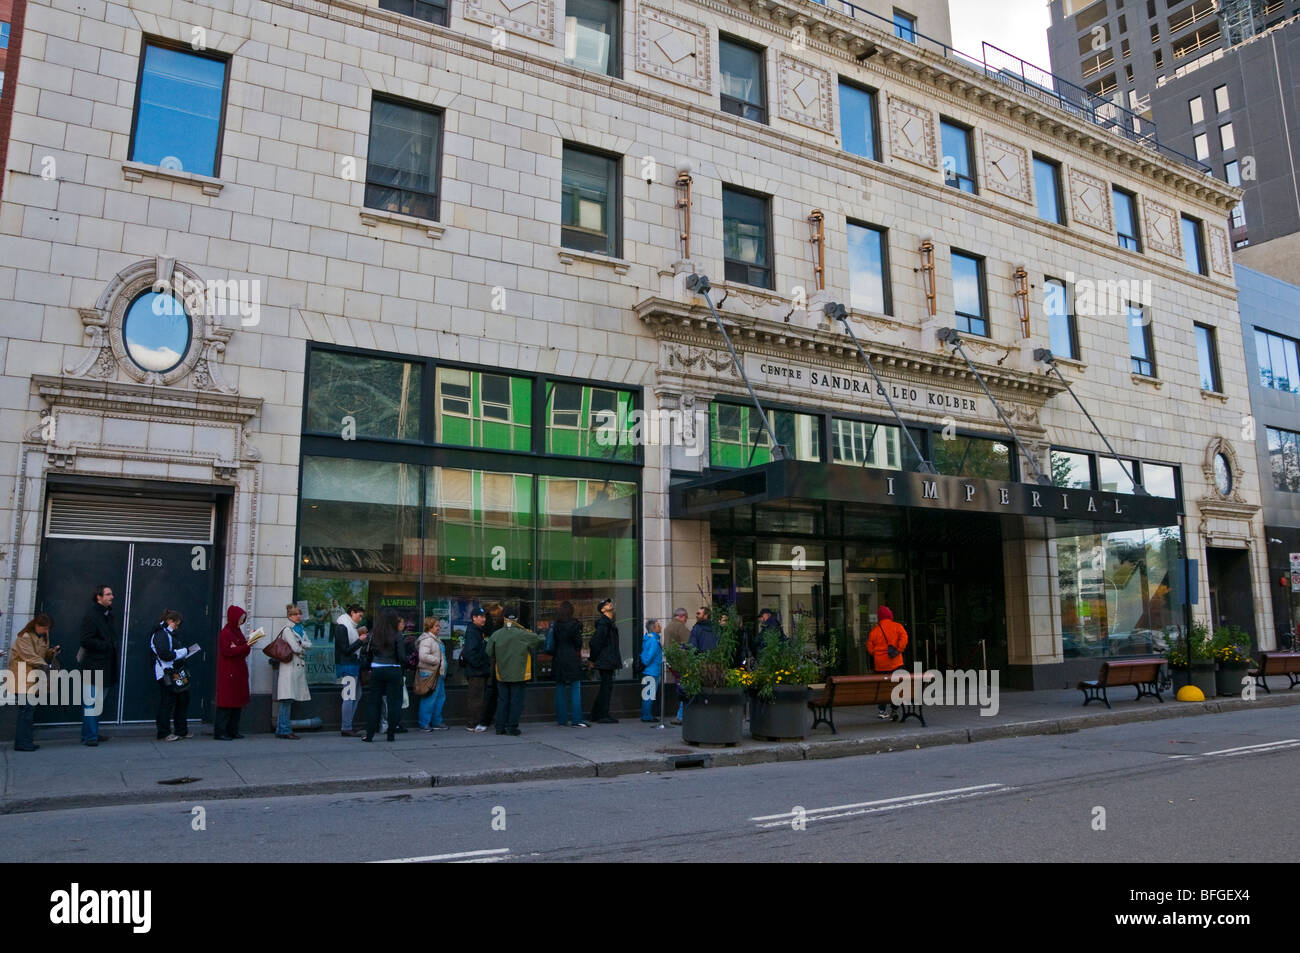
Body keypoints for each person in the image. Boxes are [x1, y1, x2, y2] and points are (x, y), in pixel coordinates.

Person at [486, 609, 543, 735]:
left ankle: (500, 727)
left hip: (501, 674)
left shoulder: (497, 634)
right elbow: (538, 640)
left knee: (502, 701)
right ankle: (512, 727)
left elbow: (489, 652)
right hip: (519, 674)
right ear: (516, 620)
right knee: (516, 702)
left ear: (504, 619)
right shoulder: (523, 633)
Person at [10, 613, 57, 752]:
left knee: (29, 711)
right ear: (37, 625)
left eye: (48, 628)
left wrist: (52, 652)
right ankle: (22, 743)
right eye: (45, 628)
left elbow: (41, 655)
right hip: (22, 677)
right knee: (26, 711)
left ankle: (26, 741)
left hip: (32, 678)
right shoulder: (24, 637)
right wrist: (45, 665)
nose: (47, 631)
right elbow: (30, 656)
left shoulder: (43, 637)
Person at [78, 584, 118, 746]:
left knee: (96, 702)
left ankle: (89, 733)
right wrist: (106, 645)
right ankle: (90, 736)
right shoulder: (92, 616)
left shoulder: (107, 615)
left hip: (106, 666)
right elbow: (86, 640)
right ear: (99, 597)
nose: (112, 596)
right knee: (91, 702)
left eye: (111, 594)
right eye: (108, 594)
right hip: (94, 666)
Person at [362, 609, 406, 742]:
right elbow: (402, 657)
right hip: (393, 669)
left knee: (374, 703)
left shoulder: (374, 634)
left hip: (377, 669)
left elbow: (367, 653)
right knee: (394, 703)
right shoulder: (397, 635)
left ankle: (370, 734)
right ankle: (391, 734)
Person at [150, 609, 192, 742]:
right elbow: (165, 654)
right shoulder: (161, 634)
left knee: (182, 699)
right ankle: (163, 732)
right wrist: (183, 652)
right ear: (170, 621)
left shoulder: (167, 634)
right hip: (166, 672)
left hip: (174, 671)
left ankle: (181, 730)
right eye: (176, 624)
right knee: (167, 702)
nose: (177, 627)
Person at [272, 605, 312, 739]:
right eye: (296, 614)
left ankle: (282, 728)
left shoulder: (300, 629)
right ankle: (284, 729)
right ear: (290, 616)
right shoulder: (288, 630)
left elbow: (309, 644)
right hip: (289, 667)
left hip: (295, 667)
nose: (298, 616)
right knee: (286, 700)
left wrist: (301, 644)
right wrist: (302, 645)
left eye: (299, 614)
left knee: (288, 700)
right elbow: (296, 648)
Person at [214, 604, 251, 740]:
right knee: (226, 704)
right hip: (229, 672)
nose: (241, 621)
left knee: (237, 703)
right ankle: (220, 731)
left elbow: (243, 650)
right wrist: (243, 647)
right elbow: (227, 651)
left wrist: (244, 646)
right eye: (240, 618)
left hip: (238, 670)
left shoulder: (237, 632)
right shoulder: (226, 633)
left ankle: (233, 730)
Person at [867, 605, 909, 719]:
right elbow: (904, 638)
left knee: (883, 688)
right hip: (895, 663)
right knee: (896, 686)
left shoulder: (875, 631)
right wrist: (899, 650)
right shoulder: (897, 626)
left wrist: (877, 654)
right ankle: (894, 709)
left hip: (880, 665)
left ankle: (882, 710)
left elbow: (870, 648)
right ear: (890, 615)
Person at [551, 600, 588, 727]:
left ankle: (561, 720)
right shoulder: (575, 625)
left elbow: (553, 643)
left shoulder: (555, 625)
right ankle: (577, 719)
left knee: (560, 689)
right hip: (571, 657)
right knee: (575, 689)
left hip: (558, 658)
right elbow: (578, 643)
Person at [334, 603, 367, 736]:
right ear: (352, 613)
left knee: (356, 695)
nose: (360, 619)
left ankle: (348, 725)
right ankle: (346, 727)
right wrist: (360, 641)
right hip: (347, 665)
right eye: (359, 616)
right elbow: (345, 650)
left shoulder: (350, 627)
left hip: (352, 665)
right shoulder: (342, 627)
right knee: (349, 696)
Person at [588, 598, 621, 723]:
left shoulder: (608, 623)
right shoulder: (604, 624)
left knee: (605, 687)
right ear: (602, 610)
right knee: (606, 688)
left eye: (609, 602)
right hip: (605, 660)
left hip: (607, 660)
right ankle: (602, 715)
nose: (609, 604)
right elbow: (596, 642)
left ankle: (596, 714)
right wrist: (592, 659)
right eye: (606, 604)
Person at [462, 606, 493, 732]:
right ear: (474, 618)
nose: (483, 619)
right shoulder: (473, 632)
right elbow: (470, 653)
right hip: (476, 671)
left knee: (479, 697)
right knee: (476, 698)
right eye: (481, 616)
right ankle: (472, 723)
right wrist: (480, 664)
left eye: (484, 616)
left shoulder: (478, 631)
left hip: (479, 670)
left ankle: (476, 721)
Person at [415, 617, 449, 731]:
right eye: (436, 626)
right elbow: (423, 656)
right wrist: (437, 661)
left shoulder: (435, 639)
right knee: (429, 699)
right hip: (430, 673)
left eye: (439, 626)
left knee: (439, 698)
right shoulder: (427, 639)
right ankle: (424, 723)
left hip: (438, 673)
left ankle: (436, 721)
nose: (439, 628)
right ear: (429, 627)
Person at [664, 607, 690, 725]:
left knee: (680, 687)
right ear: (681, 616)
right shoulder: (679, 627)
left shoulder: (668, 626)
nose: (686, 621)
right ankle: (680, 716)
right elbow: (689, 643)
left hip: (672, 663)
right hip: (681, 663)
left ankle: (680, 715)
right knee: (684, 688)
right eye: (686, 618)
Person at [640, 619, 663, 722]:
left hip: (649, 671)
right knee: (649, 695)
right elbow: (649, 657)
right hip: (653, 671)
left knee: (647, 694)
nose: (660, 627)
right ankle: (647, 716)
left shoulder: (647, 639)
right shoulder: (654, 641)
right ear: (654, 628)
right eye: (658, 625)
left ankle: (646, 714)